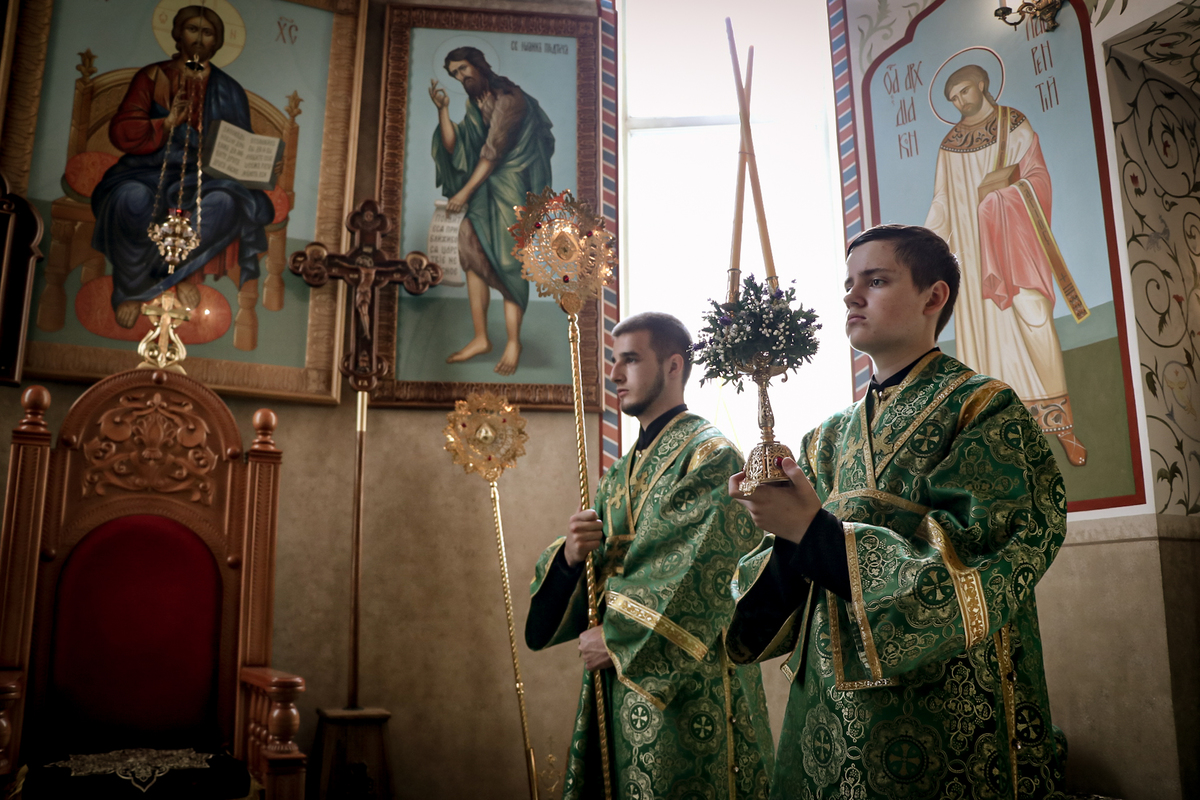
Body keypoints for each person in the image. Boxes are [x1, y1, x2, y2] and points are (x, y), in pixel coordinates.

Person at [727, 225, 1067, 799]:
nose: (852, 296)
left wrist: (813, 530)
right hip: (827, 717)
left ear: (934, 297)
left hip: (944, 709)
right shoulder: (825, 439)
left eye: (876, 281)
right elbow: (786, 586)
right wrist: (782, 529)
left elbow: (983, 559)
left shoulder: (982, 409)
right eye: (848, 284)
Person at [526, 312, 773, 800]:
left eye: (631, 360)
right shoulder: (617, 476)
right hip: (618, 684)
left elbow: (697, 569)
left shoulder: (711, 456)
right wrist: (572, 556)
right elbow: (594, 575)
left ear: (674, 366)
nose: (615, 374)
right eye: (614, 361)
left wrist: (616, 637)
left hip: (692, 685)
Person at [925, 63, 1088, 465]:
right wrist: (923, 246)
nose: (960, 101)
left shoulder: (1012, 124)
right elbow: (942, 202)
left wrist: (1000, 200)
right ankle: (991, 437)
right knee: (982, 346)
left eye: (964, 91)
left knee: (1034, 319)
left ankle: (1063, 428)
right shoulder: (949, 145)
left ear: (982, 84)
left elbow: (1037, 176)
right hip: (970, 257)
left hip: (1013, 245)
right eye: (953, 98)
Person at [91, 6, 275, 329]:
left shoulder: (229, 89)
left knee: (226, 203)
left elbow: (241, 146)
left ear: (217, 42)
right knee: (129, 198)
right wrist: (165, 124)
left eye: (208, 33)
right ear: (178, 34)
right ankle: (133, 289)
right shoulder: (152, 77)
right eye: (193, 29)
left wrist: (265, 164)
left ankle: (180, 275)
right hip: (149, 169)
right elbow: (121, 131)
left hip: (206, 176)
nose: (199, 39)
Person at [429, 47, 555, 375]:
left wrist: (464, 193)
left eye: (463, 69)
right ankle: (481, 338)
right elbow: (458, 147)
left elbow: (492, 152)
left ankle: (513, 342)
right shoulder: (476, 102)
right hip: (485, 186)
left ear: (478, 65)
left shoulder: (510, 99)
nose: (460, 77)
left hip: (514, 184)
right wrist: (443, 111)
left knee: (510, 262)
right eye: (454, 73)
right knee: (471, 251)